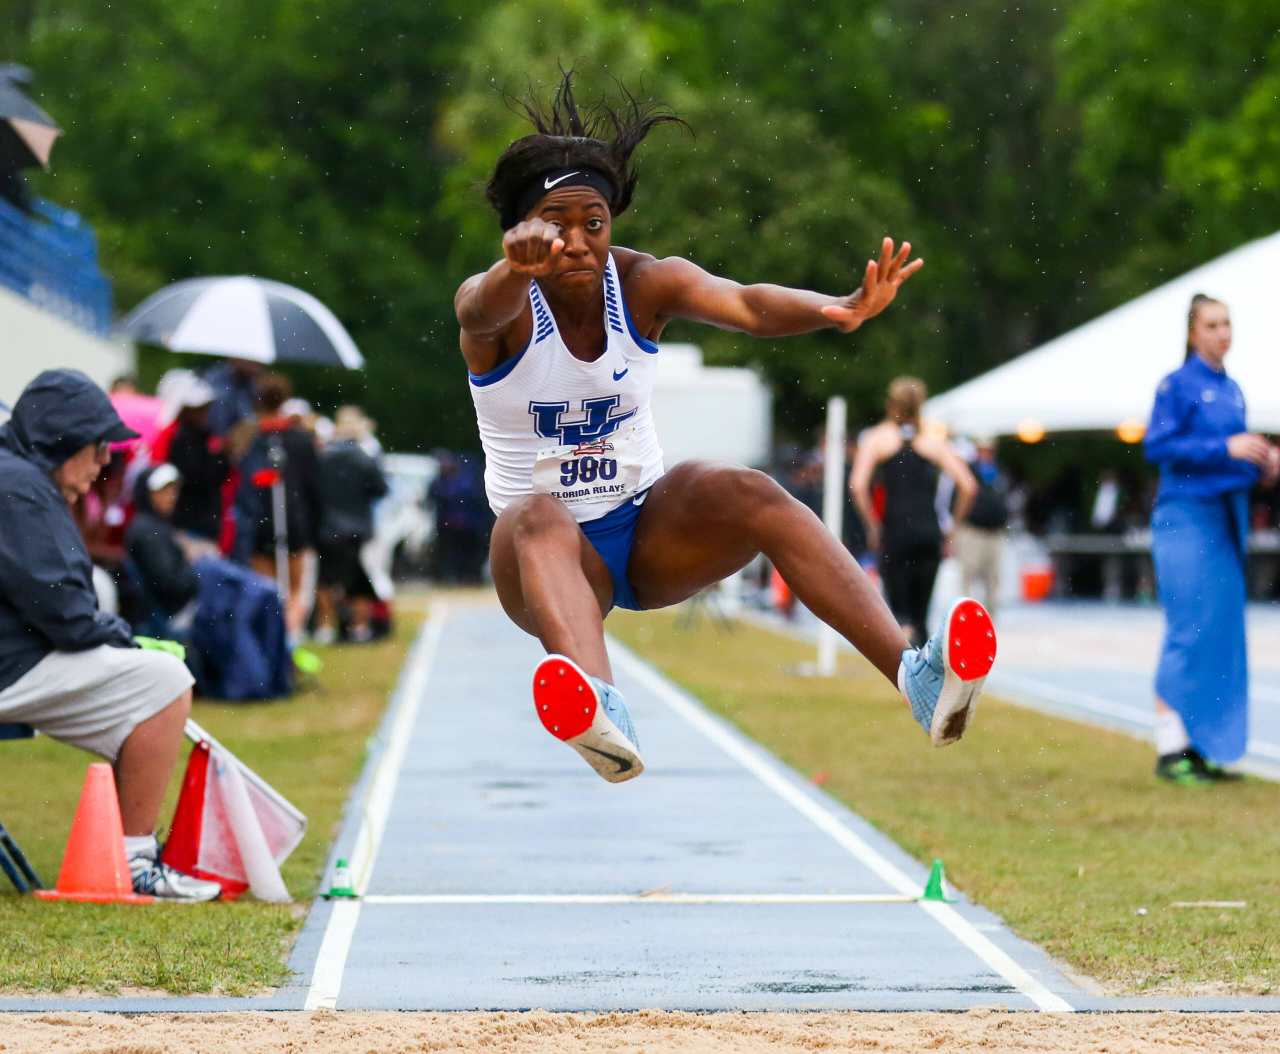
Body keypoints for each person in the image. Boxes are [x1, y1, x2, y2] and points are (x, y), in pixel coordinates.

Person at [453, 71, 996, 784]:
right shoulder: (503, 307)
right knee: (535, 515)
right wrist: (511, 272)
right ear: (523, 229)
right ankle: (601, 712)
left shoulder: (644, 283)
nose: (580, 241)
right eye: (558, 225)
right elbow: (475, 311)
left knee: (747, 489)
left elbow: (746, 304)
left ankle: (915, 676)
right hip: (542, 564)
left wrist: (836, 307)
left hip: (646, 535)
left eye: (595, 222)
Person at [0, 370, 220, 901]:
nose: (104, 463)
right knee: (163, 679)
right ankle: (134, 859)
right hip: (10, 667)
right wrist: (123, 635)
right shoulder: (20, 486)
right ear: (61, 440)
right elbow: (67, 617)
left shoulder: (17, 478)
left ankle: (128, 849)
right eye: (98, 448)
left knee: (141, 676)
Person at [1144, 293, 1280, 784]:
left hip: (1227, 518)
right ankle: (1168, 748)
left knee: (1220, 634)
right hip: (1185, 517)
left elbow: (1229, 464)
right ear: (1192, 332)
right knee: (1187, 627)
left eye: (1227, 324)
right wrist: (1224, 445)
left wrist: (1262, 465)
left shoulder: (1234, 390)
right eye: (1212, 325)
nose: (1222, 333)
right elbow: (1157, 446)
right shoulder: (1176, 385)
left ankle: (1200, 745)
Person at [851, 378, 978, 646]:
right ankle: (927, 676)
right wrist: (952, 529)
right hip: (928, 531)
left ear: (890, 404)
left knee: (899, 615)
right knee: (921, 616)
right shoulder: (933, 442)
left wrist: (873, 526)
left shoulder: (877, 439)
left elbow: (857, 486)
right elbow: (968, 486)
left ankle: (905, 673)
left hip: (895, 530)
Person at [235, 373, 322, 639]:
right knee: (296, 590)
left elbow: (241, 482)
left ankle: (272, 638)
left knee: (266, 589)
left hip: (259, 520)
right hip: (294, 520)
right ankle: (288, 638)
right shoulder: (301, 439)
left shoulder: (248, 438)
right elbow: (313, 485)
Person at [314, 407, 388, 643]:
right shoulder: (364, 460)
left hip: (326, 525)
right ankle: (359, 626)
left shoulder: (322, 459)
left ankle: (325, 626)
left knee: (325, 579)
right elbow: (381, 489)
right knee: (358, 579)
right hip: (356, 527)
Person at [155, 372, 229, 555]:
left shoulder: (197, 437)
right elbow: (201, 479)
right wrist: (223, 456)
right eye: (200, 406)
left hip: (197, 527)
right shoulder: (185, 439)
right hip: (191, 528)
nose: (206, 411)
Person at [124, 464, 201, 633]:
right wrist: (199, 574)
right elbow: (168, 583)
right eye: (163, 491)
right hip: (172, 616)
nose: (171, 497)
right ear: (147, 494)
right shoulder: (146, 530)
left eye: (173, 490)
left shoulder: (156, 525)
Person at [955, 437, 1009, 621]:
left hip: (994, 531)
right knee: (969, 575)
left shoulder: (998, 473)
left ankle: (990, 617)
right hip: (974, 530)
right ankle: (965, 616)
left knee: (993, 578)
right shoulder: (969, 471)